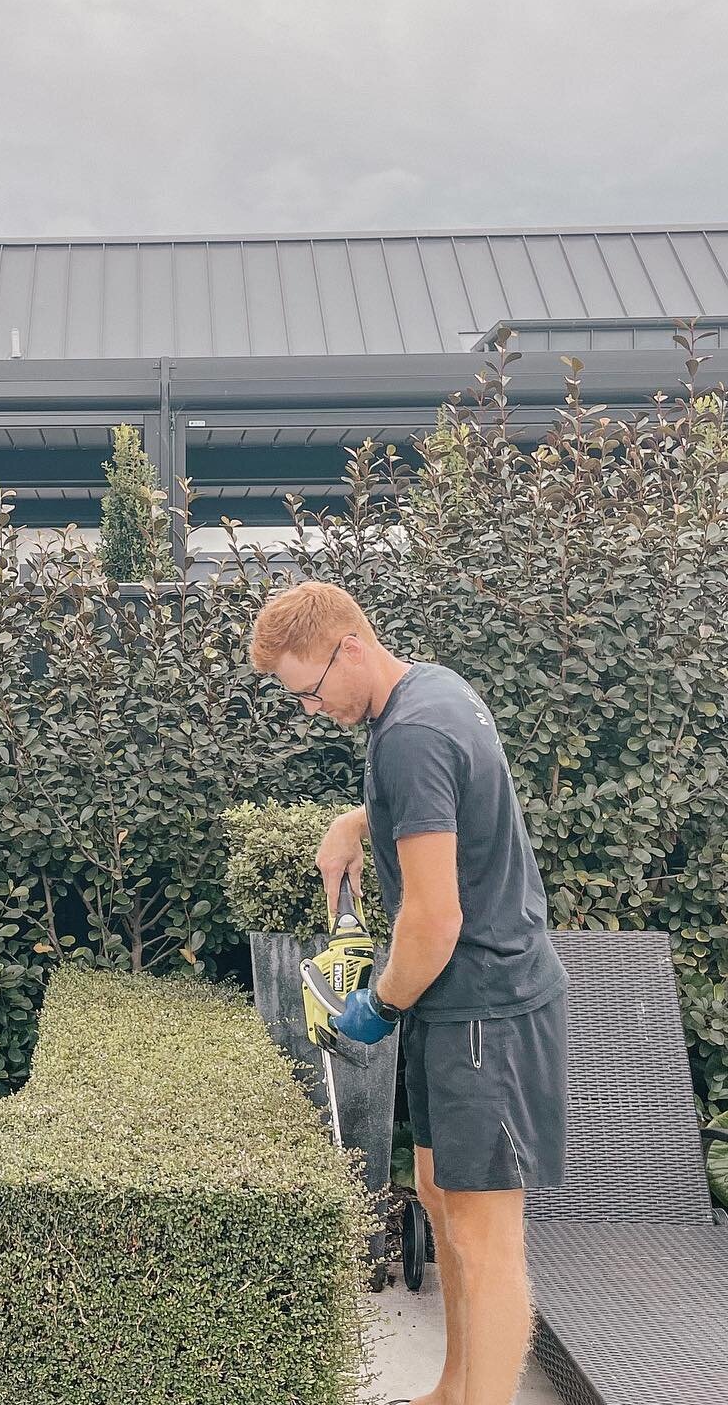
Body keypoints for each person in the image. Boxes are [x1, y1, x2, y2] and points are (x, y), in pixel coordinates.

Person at [249, 579, 570, 1405]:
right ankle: (453, 1388)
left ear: (349, 647)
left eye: (312, 691)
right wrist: (356, 821)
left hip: (483, 1007)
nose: (313, 709)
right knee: (436, 1194)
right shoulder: (426, 690)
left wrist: (377, 1006)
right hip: (456, 1004)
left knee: (485, 1236)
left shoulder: (411, 732)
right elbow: (442, 797)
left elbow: (432, 921)